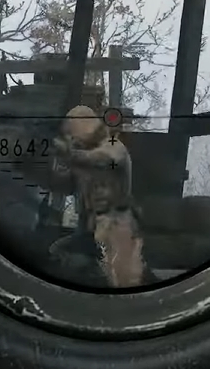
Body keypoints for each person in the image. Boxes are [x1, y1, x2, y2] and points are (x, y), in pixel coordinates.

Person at [48, 105, 147, 287]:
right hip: (90, 227)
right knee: (58, 254)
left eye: (73, 132)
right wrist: (57, 159)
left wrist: (70, 154)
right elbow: (62, 183)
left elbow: (102, 159)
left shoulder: (113, 145)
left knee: (122, 279)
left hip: (116, 224)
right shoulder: (81, 154)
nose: (73, 138)